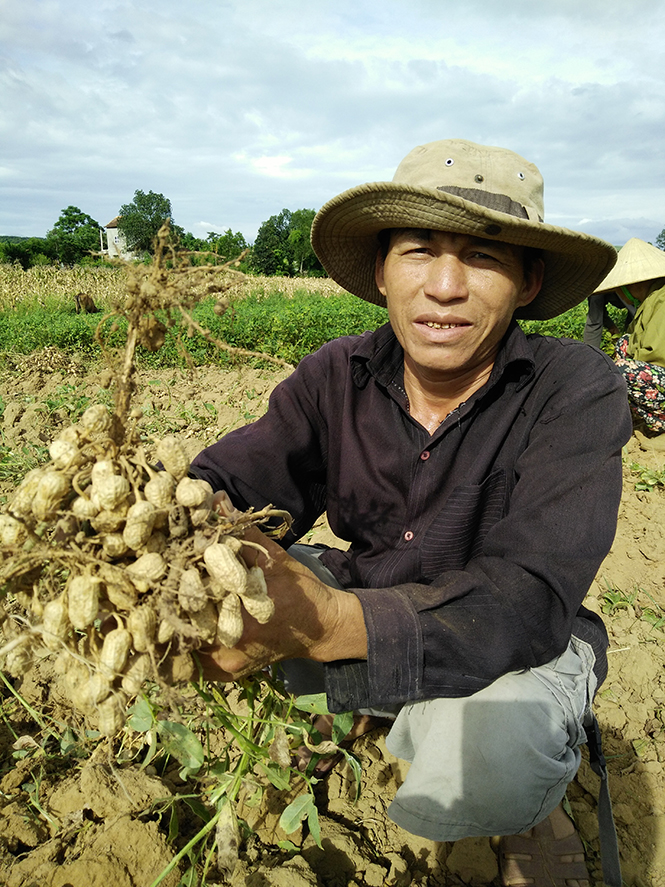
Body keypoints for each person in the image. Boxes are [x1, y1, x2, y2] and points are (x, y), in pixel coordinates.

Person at [190, 139, 632, 887]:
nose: (446, 285)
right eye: (420, 250)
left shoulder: (572, 387)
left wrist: (331, 627)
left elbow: (525, 598)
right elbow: (239, 479)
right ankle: (371, 704)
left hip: (512, 649)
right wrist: (175, 529)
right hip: (368, 607)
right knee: (225, 586)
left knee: (494, 744)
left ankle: (524, 810)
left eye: (483, 259)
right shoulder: (336, 373)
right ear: (382, 270)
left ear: (527, 282)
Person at [593, 237, 665, 433]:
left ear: (632, 284)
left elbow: (656, 355)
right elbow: (633, 341)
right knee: (623, 345)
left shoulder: (662, 301)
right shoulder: (652, 298)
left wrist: (624, 368)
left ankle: (660, 423)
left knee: (622, 371)